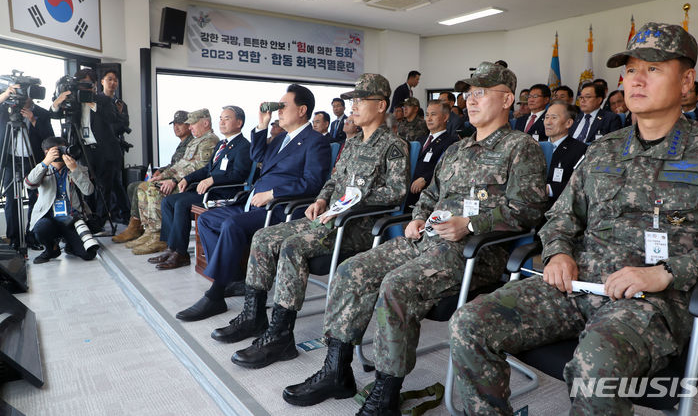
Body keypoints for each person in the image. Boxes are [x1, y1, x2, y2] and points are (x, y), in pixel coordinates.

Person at [449, 22, 698, 416]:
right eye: (630, 70)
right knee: (468, 323)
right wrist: (558, 253)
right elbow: (561, 215)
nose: (636, 80)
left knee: (595, 368)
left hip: (651, 301)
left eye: (654, 69)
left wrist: (666, 272)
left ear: (686, 81)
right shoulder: (602, 150)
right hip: (578, 282)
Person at [282, 62, 547, 412]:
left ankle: (387, 393)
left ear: (508, 98)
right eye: (469, 93)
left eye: (481, 93)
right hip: (426, 239)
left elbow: (528, 210)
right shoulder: (456, 148)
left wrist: (470, 225)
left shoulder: (520, 147)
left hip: (471, 251)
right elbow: (429, 194)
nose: (471, 100)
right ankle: (336, 369)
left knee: (396, 285)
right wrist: (419, 218)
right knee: (351, 271)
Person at [215, 74, 409, 373]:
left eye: (360, 101)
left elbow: (395, 192)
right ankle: (254, 316)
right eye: (352, 101)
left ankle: (281, 336)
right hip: (328, 218)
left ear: (381, 105)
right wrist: (322, 199)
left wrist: (352, 200)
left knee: (292, 247)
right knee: (265, 237)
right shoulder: (353, 142)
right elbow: (333, 181)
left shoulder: (394, 145)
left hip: (357, 226)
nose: (353, 107)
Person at [175, 84, 331, 321]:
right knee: (206, 219)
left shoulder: (315, 141)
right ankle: (236, 280)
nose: (278, 110)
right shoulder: (280, 140)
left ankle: (215, 295)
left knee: (232, 225)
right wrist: (262, 125)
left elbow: (312, 183)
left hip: (280, 209)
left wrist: (273, 193)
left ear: (302, 110)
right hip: (254, 203)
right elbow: (257, 157)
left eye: (283, 106)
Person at [154, 106, 252, 270]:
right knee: (169, 201)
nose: (221, 122)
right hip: (210, 191)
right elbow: (207, 169)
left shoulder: (243, 146)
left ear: (239, 123)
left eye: (226, 118)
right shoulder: (222, 144)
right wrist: (187, 178)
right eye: (220, 118)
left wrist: (212, 180)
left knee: (182, 204)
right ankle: (171, 247)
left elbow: (239, 175)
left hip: (224, 193)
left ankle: (181, 253)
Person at [130, 109, 218, 255]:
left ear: (205, 123)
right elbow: (181, 164)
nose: (190, 128)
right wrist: (163, 175)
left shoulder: (210, 140)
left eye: (193, 124)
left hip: (193, 185)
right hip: (182, 180)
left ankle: (158, 237)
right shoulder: (196, 141)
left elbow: (198, 167)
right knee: (145, 187)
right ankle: (149, 232)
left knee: (153, 191)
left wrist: (173, 180)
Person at [50, 69, 126, 227]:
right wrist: (58, 101)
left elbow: (113, 118)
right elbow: (54, 115)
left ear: (95, 85)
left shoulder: (103, 99)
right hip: (86, 151)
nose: (85, 88)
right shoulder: (74, 101)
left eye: (88, 84)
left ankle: (100, 221)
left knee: (105, 188)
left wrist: (93, 104)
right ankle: (90, 218)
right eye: (82, 84)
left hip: (106, 151)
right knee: (88, 185)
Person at [112, 110, 193, 244]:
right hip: (169, 177)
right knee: (133, 186)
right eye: (174, 124)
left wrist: (164, 176)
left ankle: (145, 229)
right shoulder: (182, 144)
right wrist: (160, 171)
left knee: (140, 187)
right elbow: (174, 164)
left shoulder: (191, 144)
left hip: (179, 183)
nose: (176, 127)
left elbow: (184, 168)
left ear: (189, 125)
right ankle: (138, 226)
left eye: (180, 124)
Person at [0, 84, 54, 250]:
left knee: (35, 198)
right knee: (11, 199)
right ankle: (14, 239)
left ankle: (32, 236)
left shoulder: (42, 113)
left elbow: (49, 138)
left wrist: (33, 120)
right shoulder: (6, 108)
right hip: (10, 159)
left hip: (32, 159)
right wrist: (5, 94)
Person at [25, 136, 95, 263]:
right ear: (47, 152)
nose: (60, 153)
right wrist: (45, 162)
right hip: (49, 218)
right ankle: (51, 249)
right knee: (41, 228)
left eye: (62, 149)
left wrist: (74, 169)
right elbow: (29, 184)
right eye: (56, 151)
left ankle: (70, 246)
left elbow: (88, 191)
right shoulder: (42, 170)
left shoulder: (77, 168)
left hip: (72, 218)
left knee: (89, 254)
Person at [405, 100, 457, 209]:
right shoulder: (420, 140)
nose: (428, 119)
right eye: (427, 115)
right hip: (407, 191)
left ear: (445, 117)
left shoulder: (451, 142)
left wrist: (426, 178)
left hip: (427, 195)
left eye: (433, 115)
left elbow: (446, 168)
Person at [99, 70, 131, 224]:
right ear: (102, 81)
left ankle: (124, 214)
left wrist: (118, 117)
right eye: (109, 79)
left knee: (116, 183)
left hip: (114, 148)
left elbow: (123, 125)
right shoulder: (97, 101)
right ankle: (104, 216)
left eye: (115, 80)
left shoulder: (120, 104)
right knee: (104, 185)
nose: (113, 83)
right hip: (98, 150)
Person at [543, 100, 587, 207]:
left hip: (559, 206)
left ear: (568, 123)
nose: (548, 122)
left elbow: (580, 183)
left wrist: (549, 189)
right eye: (546, 117)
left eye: (554, 117)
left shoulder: (580, 149)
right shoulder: (535, 146)